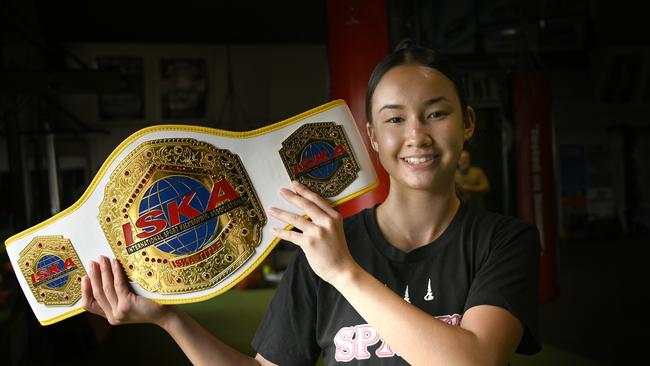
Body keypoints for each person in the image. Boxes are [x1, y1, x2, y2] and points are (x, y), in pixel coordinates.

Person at [82, 45, 541, 365]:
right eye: (395, 119)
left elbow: (474, 361)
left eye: (437, 113)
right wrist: (169, 318)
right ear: (373, 138)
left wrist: (344, 272)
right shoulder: (324, 248)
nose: (416, 135)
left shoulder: (504, 241)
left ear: (468, 124)